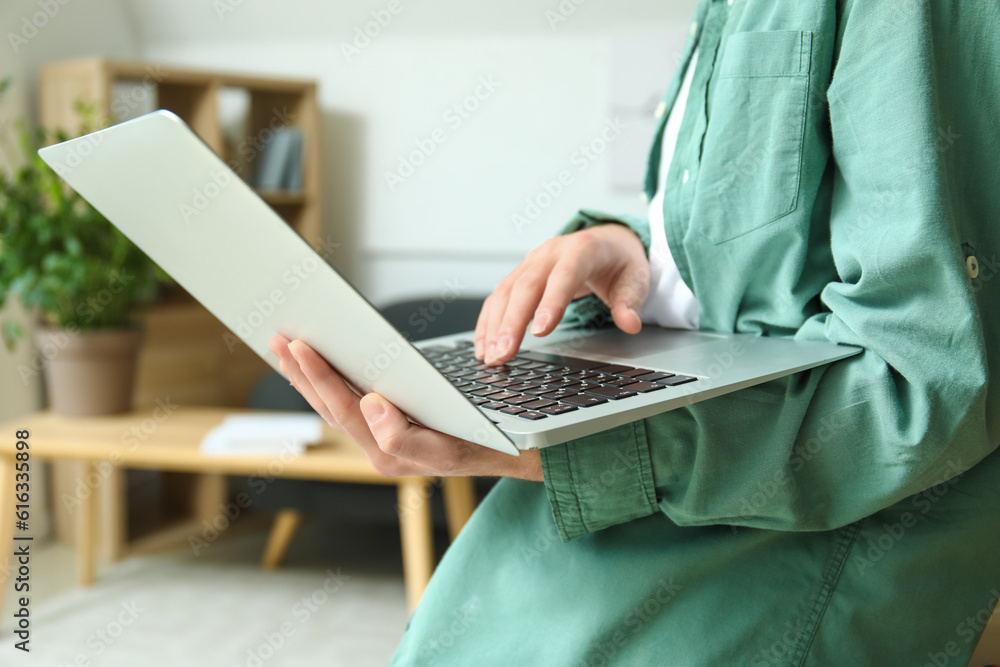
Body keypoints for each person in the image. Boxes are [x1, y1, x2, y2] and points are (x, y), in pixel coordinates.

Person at [270, 0, 1000, 663]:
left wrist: (579, 451)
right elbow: (751, 252)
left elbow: (923, 384)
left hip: (813, 521)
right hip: (675, 462)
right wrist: (635, 251)